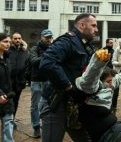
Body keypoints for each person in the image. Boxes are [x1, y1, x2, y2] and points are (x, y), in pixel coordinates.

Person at [38, 13, 98, 142]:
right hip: (56, 102)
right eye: (93, 25)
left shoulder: (86, 45)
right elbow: (47, 63)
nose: (96, 29)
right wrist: (68, 86)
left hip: (74, 104)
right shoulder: (67, 41)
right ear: (82, 25)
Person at [76, 49, 121, 141]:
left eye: (111, 81)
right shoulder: (94, 86)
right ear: (100, 80)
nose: (111, 84)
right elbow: (89, 80)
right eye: (108, 81)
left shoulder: (110, 84)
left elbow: (118, 78)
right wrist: (98, 64)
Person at [0, 32, 28, 136]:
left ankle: (11, 121)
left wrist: (24, 79)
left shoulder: (24, 51)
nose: (17, 40)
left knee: (14, 104)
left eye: (19, 38)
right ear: (12, 39)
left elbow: (26, 66)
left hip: (18, 83)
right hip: (5, 83)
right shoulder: (7, 50)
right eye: (15, 38)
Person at [27, 28, 53, 138]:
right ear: (41, 37)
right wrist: (47, 55)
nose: (48, 39)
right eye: (46, 37)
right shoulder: (34, 48)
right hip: (36, 80)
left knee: (49, 104)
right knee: (35, 105)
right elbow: (33, 61)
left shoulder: (53, 47)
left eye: (50, 37)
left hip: (49, 79)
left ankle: (46, 124)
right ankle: (36, 127)